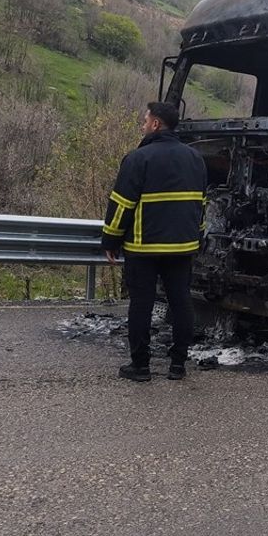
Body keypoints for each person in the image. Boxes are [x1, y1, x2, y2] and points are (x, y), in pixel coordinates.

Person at [100, 101, 207, 382]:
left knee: (142, 304)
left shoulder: (138, 159)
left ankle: (141, 367)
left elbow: (121, 205)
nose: (143, 125)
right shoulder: (196, 158)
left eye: (145, 120)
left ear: (156, 124)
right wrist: (198, 236)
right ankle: (178, 366)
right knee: (181, 302)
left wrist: (110, 239)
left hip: (143, 247)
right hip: (182, 247)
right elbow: (201, 205)